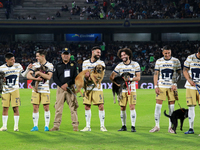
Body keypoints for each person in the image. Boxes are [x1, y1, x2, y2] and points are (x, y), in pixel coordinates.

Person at [149, 45, 181, 133]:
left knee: (171, 107)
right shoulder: (159, 61)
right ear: (163, 52)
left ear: (171, 52)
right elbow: (156, 74)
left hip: (172, 87)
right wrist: (155, 86)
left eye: (169, 53)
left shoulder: (176, 61)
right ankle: (157, 126)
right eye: (165, 53)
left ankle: (170, 127)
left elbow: (179, 74)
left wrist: (175, 84)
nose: (167, 55)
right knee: (158, 106)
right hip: (162, 86)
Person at [110, 48, 141, 132]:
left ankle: (133, 126)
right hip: (122, 90)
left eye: (124, 55)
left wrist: (129, 79)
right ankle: (123, 126)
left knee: (132, 107)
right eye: (121, 55)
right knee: (122, 107)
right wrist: (116, 83)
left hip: (132, 89)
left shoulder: (135, 64)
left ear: (128, 55)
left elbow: (138, 77)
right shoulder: (119, 65)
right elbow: (112, 76)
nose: (123, 56)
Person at [0, 52, 31, 131]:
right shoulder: (1, 68)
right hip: (5, 90)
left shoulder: (18, 65)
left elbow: (23, 75)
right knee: (5, 108)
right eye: (11, 60)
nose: (13, 61)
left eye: (14, 59)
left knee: (15, 108)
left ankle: (16, 126)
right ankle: (4, 126)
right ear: (6, 60)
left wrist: (27, 69)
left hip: (15, 90)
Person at [50, 48, 79, 131]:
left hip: (70, 88)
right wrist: (61, 85)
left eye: (67, 54)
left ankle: (75, 126)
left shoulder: (74, 65)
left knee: (73, 108)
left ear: (70, 55)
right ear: (61, 55)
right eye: (64, 54)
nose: (65, 56)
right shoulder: (57, 65)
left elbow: (76, 77)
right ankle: (56, 126)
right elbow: (55, 77)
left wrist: (67, 84)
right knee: (58, 108)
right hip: (60, 89)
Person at [80, 46, 107, 132]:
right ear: (92, 52)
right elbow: (83, 75)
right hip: (87, 88)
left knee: (101, 106)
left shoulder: (101, 63)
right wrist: (87, 78)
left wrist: (93, 78)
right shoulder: (85, 63)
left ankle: (102, 126)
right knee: (87, 106)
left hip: (97, 88)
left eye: (100, 53)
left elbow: (101, 76)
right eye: (97, 52)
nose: (99, 54)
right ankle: (88, 126)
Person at [27, 49, 53, 132]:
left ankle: (46, 126)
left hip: (45, 89)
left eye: (38, 56)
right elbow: (28, 75)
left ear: (42, 56)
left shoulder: (49, 65)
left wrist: (39, 73)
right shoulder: (35, 65)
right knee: (35, 107)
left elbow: (49, 77)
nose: (36, 57)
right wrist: (36, 78)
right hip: (35, 89)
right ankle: (35, 126)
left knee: (46, 107)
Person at [183, 47, 200, 134]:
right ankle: (191, 128)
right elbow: (185, 70)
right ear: (199, 53)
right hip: (191, 87)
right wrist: (189, 80)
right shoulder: (190, 58)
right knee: (191, 107)